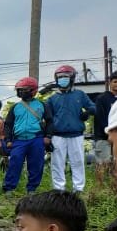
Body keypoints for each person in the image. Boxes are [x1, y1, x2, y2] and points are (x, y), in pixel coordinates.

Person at [45, 65, 96, 193]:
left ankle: (78, 188)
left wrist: (87, 112)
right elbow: (47, 119)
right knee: (57, 163)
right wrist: (48, 136)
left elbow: (94, 107)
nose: (62, 79)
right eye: (60, 77)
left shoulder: (80, 94)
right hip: (58, 135)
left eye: (65, 77)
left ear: (72, 78)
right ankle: (58, 189)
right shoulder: (52, 98)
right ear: (56, 79)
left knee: (78, 162)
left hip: (76, 134)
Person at [3, 77, 51, 194]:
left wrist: (48, 136)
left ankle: (32, 189)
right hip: (19, 140)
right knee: (14, 163)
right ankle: (9, 189)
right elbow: (8, 124)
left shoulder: (41, 105)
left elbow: (50, 121)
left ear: (33, 90)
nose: (21, 92)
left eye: (24, 89)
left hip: (36, 139)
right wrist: (8, 140)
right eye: (19, 90)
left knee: (36, 164)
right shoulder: (15, 107)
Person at [93, 69, 117, 178]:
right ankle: (101, 188)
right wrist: (109, 134)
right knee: (103, 163)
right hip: (103, 136)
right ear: (110, 83)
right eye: (115, 81)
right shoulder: (102, 98)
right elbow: (100, 117)